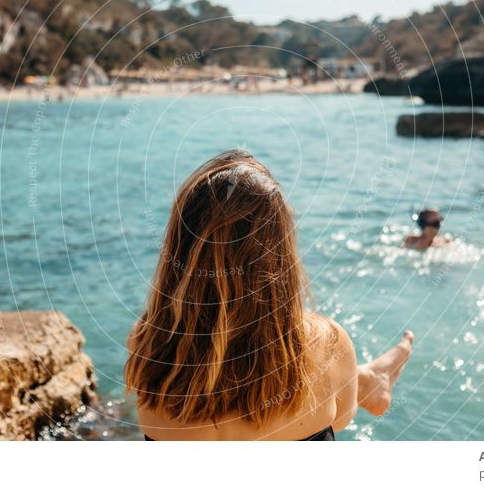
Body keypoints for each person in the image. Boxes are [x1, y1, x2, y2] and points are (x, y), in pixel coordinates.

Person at [124, 149, 414, 440]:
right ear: (278, 253)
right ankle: (371, 380)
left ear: (181, 246)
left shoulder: (147, 342)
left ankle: (372, 380)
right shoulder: (325, 342)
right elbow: (339, 420)